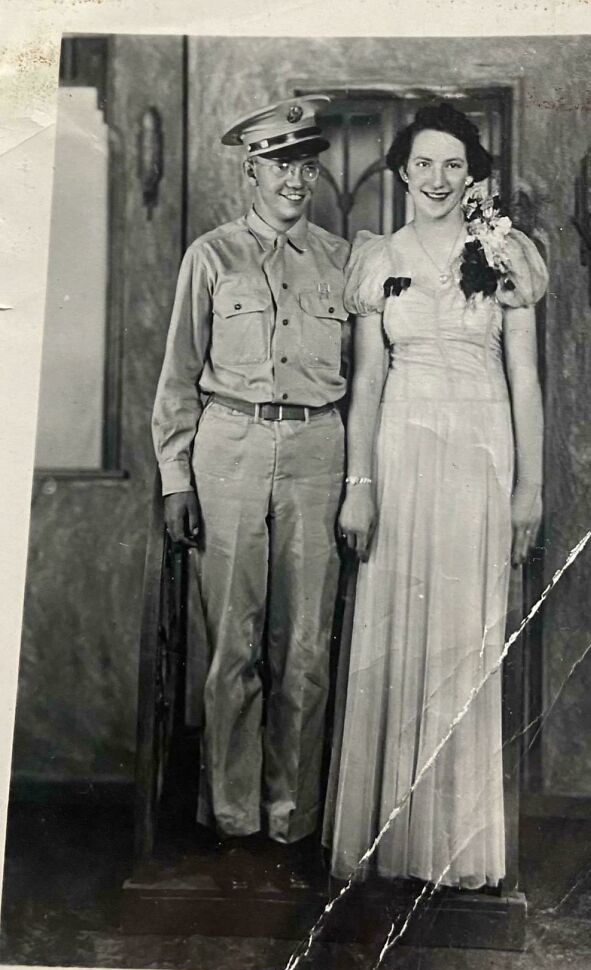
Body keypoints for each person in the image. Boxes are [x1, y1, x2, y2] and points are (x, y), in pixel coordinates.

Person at [324, 103, 548, 888]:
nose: (438, 179)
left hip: (480, 451)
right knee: (397, 629)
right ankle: (391, 841)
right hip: (402, 448)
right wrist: (359, 488)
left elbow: (524, 377)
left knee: (465, 635)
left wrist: (530, 487)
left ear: (474, 174)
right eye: (424, 164)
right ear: (401, 172)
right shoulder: (377, 257)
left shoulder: (506, 254)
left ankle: (455, 843)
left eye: (454, 164)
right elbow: (366, 382)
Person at [151, 95, 350, 849]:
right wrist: (176, 479)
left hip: (315, 450)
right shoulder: (210, 257)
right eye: (277, 164)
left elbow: (363, 380)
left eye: (305, 164)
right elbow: (177, 378)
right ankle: (233, 815)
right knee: (232, 641)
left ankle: (290, 816)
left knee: (303, 646)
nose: (294, 180)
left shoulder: (342, 259)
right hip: (228, 445)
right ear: (250, 171)